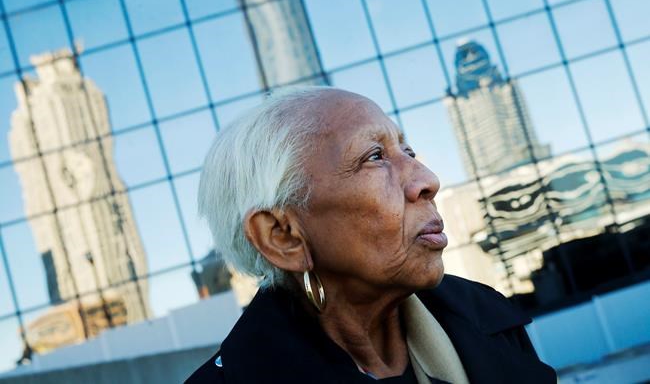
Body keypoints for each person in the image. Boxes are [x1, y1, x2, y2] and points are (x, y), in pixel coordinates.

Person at [186, 87, 556, 383]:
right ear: (283, 236)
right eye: (375, 156)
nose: (428, 181)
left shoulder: (485, 317)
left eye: (408, 150)